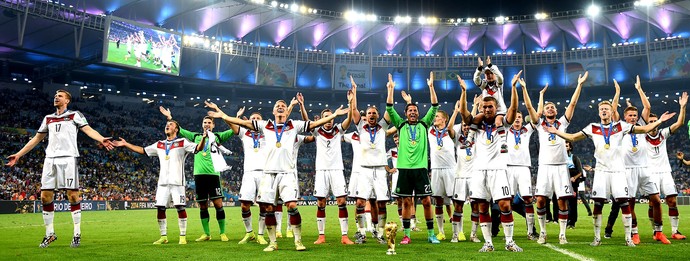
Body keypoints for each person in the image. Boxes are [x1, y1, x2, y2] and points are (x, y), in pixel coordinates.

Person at [209, 99, 349, 252]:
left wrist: (334, 114)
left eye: (283, 106)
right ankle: (273, 242)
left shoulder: (294, 125)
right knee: (269, 208)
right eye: (278, 106)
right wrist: (222, 115)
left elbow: (314, 124)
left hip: (287, 173)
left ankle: (298, 241)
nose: (281, 107)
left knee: (292, 206)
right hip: (268, 174)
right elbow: (241, 123)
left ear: (287, 111)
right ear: (274, 112)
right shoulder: (265, 125)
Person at [545, 92, 677, 247]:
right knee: (598, 205)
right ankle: (597, 238)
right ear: (598, 112)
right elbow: (573, 137)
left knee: (625, 204)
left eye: (607, 109)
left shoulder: (621, 126)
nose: (604, 111)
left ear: (612, 111)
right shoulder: (593, 128)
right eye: (602, 109)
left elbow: (644, 129)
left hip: (618, 171)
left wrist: (660, 121)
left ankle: (629, 238)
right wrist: (556, 132)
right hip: (601, 171)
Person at [5, 89, 114, 248]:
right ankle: (50, 234)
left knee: (73, 196)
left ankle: (76, 233)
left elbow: (88, 129)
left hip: (68, 158)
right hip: (50, 160)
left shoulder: (74, 115)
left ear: (67, 101)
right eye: (55, 95)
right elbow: (37, 138)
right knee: (45, 197)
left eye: (60, 96)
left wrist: (101, 138)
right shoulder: (48, 118)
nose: (56, 97)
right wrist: (19, 154)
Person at [457, 72, 521, 252]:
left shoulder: (503, 124)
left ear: (496, 107)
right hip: (479, 171)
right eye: (484, 107)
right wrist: (463, 91)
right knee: (482, 207)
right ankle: (488, 243)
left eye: (490, 107)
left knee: (505, 205)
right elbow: (463, 113)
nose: (486, 110)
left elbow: (513, 110)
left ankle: (509, 241)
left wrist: (514, 88)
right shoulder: (476, 126)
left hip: (498, 170)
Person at [113, 120, 204, 245]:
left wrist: (203, 139)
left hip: (177, 182)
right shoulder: (159, 144)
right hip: (162, 183)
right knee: (160, 208)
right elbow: (143, 150)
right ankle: (163, 236)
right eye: (167, 124)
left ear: (176, 129)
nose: (167, 125)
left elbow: (198, 148)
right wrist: (125, 144)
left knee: (180, 207)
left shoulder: (182, 142)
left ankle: (182, 236)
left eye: (171, 124)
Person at [525, 72, 588, 244]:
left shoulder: (562, 123)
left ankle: (562, 234)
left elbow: (573, 104)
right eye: (547, 108)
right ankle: (543, 232)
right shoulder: (539, 124)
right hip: (545, 166)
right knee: (540, 200)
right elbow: (531, 109)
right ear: (544, 112)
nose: (550, 109)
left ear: (556, 111)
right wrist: (526, 90)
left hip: (561, 167)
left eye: (552, 107)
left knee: (562, 201)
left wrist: (579, 84)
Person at [159, 105, 234, 242]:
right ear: (202, 125)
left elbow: (233, 130)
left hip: (213, 175)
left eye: (209, 123)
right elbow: (179, 130)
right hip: (199, 175)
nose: (207, 124)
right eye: (205, 122)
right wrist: (170, 118)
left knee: (218, 204)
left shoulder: (218, 136)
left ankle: (222, 233)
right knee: (203, 205)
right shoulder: (195, 137)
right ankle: (206, 233)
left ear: (213, 125)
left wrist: (235, 118)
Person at [386, 72, 440, 244]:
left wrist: (431, 87)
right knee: (407, 202)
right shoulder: (400, 124)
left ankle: (431, 234)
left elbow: (435, 105)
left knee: (426, 201)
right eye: (410, 110)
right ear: (406, 113)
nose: (413, 113)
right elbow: (389, 108)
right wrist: (391, 89)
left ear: (418, 113)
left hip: (421, 168)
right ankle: (407, 235)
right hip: (405, 169)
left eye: (415, 111)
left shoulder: (425, 124)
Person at [616, 77, 670, 244]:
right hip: (628, 169)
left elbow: (647, 107)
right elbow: (612, 111)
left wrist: (639, 89)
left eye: (635, 115)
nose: (633, 117)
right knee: (630, 203)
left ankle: (659, 232)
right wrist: (617, 93)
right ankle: (635, 232)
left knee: (656, 200)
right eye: (630, 115)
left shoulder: (642, 125)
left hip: (645, 168)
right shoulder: (620, 127)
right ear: (625, 117)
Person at [302, 90, 355, 245]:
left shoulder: (338, 129)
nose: (329, 120)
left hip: (337, 169)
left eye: (330, 117)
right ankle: (321, 236)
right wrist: (302, 105)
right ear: (322, 119)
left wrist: (350, 103)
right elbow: (307, 122)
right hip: (321, 170)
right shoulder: (317, 131)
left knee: (341, 201)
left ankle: (344, 236)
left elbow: (349, 120)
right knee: (320, 203)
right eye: (326, 117)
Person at [349, 76, 393, 244]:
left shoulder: (383, 127)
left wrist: (390, 90)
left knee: (382, 203)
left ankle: (380, 233)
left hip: (380, 170)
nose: (372, 115)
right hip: (365, 170)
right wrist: (354, 92)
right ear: (365, 117)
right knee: (360, 202)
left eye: (374, 113)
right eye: (369, 113)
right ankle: (361, 232)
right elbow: (354, 111)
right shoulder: (361, 127)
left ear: (378, 115)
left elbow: (390, 109)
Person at [642, 92, 687, 241]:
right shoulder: (642, 136)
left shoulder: (663, 133)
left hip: (665, 172)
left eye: (656, 120)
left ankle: (675, 231)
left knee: (672, 201)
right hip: (650, 173)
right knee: (652, 203)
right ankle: (656, 231)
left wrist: (682, 107)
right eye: (651, 121)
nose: (654, 123)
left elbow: (679, 123)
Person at [507, 75, 538, 239]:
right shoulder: (505, 130)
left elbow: (535, 113)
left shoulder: (527, 130)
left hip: (524, 168)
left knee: (527, 199)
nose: (518, 120)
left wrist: (524, 89)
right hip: (509, 168)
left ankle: (531, 231)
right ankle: (508, 233)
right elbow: (512, 108)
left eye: (520, 118)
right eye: (515, 118)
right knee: (508, 200)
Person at [451, 94, 482, 243]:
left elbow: (473, 120)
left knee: (475, 206)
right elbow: (450, 128)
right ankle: (455, 235)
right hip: (460, 176)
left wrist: (475, 106)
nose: (466, 128)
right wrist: (457, 112)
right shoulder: (458, 139)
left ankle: (473, 235)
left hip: (474, 177)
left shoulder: (477, 137)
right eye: (464, 126)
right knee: (458, 206)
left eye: (468, 126)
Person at [427, 105, 460, 241]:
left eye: (437, 117)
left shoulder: (452, 131)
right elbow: (427, 118)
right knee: (438, 200)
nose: (435, 119)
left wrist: (456, 111)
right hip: (435, 169)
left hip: (450, 168)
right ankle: (440, 231)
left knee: (455, 199)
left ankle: (457, 232)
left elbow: (453, 125)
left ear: (444, 120)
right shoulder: (430, 131)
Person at [470, 56, 508, 153]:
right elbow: (475, 79)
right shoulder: (484, 85)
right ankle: (469, 139)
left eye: (491, 73)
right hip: (486, 111)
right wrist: (479, 69)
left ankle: (503, 143)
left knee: (498, 122)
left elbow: (500, 77)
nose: (489, 75)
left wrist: (490, 66)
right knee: (476, 118)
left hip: (499, 110)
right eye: (487, 74)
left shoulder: (499, 84)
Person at [565, 141, 584, 229]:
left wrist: (574, 178)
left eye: (567, 146)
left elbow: (580, 172)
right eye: (564, 146)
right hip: (563, 181)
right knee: (563, 202)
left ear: (570, 148)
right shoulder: (561, 158)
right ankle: (564, 220)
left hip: (572, 183)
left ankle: (572, 222)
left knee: (572, 203)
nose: (565, 147)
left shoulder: (574, 158)